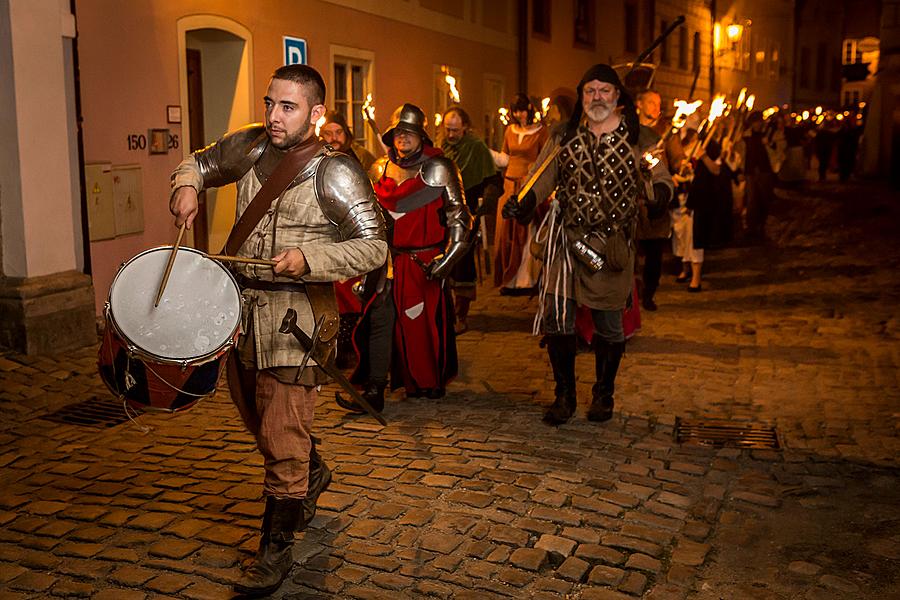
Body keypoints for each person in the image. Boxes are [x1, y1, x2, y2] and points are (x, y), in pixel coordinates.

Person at [169, 64, 387, 596]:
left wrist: (309, 257)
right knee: (257, 419)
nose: (272, 115)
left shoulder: (335, 172)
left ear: (315, 114)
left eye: (286, 107)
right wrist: (187, 187)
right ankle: (312, 472)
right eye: (270, 103)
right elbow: (197, 162)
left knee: (282, 437)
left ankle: (275, 548)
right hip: (241, 315)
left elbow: (375, 245)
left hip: (297, 322)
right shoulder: (247, 146)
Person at [503, 64, 672, 425]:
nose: (597, 97)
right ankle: (564, 396)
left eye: (604, 90)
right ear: (582, 98)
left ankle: (603, 394)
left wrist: (658, 193)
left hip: (612, 246)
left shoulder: (639, 138)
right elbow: (541, 177)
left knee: (609, 326)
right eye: (590, 91)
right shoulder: (563, 135)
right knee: (557, 321)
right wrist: (525, 202)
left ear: (617, 97)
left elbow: (660, 173)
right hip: (567, 241)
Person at [337, 103, 473, 412]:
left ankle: (425, 382)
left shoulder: (440, 168)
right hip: (386, 261)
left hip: (424, 263)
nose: (403, 138)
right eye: (398, 133)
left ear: (420, 136)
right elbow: (366, 214)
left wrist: (447, 259)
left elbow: (460, 218)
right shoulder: (381, 168)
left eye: (409, 133)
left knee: (421, 326)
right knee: (378, 319)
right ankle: (374, 389)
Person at [318, 110, 380, 368]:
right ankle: (331, 346)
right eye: (328, 133)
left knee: (352, 288)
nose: (333, 138)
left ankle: (352, 346)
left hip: (353, 229)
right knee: (332, 290)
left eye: (338, 132)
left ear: (346, 133)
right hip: (325, 230)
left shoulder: (362, 158)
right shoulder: (315, 158)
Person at [440, 106, 502, 333]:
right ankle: (446, 311)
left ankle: (460, 315)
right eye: (447, 129)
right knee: (445, 263)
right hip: (443, 213)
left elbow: (493, 180)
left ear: (465, 127)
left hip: (467, 213)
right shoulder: (442, 148)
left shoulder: (477, 148)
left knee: (463, 263)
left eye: (455, 130)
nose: (450, 134)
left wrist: (486, 202)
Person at [494, 93, 550, 294]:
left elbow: (545, 159)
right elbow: (505, 157)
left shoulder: (541, 132)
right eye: (516, 111)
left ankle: (528, 280)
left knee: (527, 231)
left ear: (529, 110)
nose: (520, 115)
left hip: (528, 185)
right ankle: (509, 280)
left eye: (523, 110)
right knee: (507, 231)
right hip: (510, 184)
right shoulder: (509, 131)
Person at [634, 89, 684, 310]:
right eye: (651, 102)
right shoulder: (629, 129)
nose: (656, 107)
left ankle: (649, 294)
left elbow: (677, 158)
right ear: (639, 104)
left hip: (657, 201)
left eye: (658, 103)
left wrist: (682, 166)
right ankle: (630, 294)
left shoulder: (666, 131)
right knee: (630, 253)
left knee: (654, 253)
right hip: (633, 200)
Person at [743, 111, 776, 241]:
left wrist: (768, 144)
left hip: (765, 171)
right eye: (755, 122)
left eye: (759, 121)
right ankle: (751, 227)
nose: (757, 124)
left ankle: (762, 224)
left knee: (764, 199)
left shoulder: (767, 135)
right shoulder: (746, 137)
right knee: (751, 200)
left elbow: (776, 151)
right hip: (750, 172)